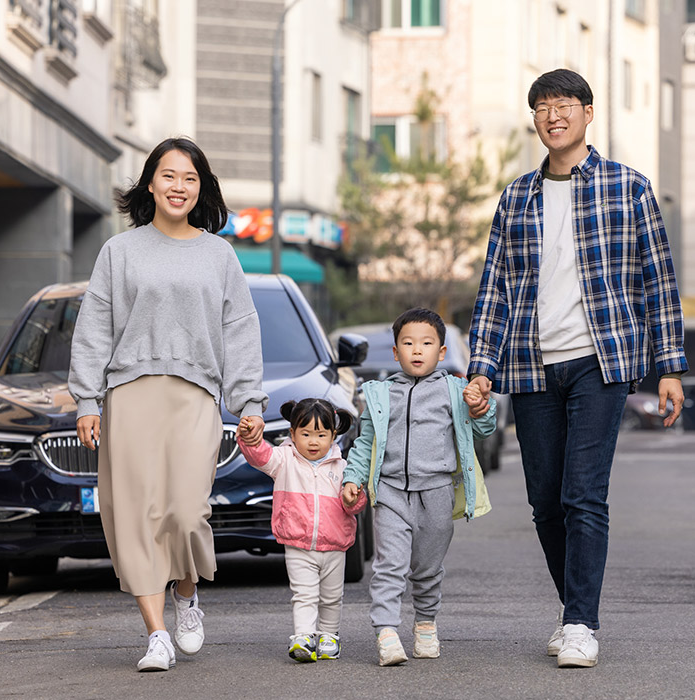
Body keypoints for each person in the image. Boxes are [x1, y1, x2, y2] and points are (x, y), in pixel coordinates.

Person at [465, 69, 689, 669]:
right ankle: (575, 611)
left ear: (588, 113)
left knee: (583, 493)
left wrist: (669, 366)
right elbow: (496, 286)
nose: (552, 116)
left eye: (564, 105)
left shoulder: (629, 188)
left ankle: (582, 624)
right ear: (534, 119)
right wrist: (481, 367)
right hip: (533, 364)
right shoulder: (517, 196)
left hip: (602, 360)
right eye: (542, 107)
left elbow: (657, 280)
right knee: (544, 501)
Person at [68, 137, 268, 672]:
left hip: (195, 396)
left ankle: (186, 591)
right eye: (169, 176)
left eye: (190, 178)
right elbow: (95, 327)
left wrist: (248, 399)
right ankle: (155, 634)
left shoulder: (218, 254)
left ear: (200, 188)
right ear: (150, 184)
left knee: (184, 511)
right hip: (129, 394)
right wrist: (87, 398)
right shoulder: (120, 250)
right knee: (134, 516)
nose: (179, 187)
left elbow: (239, 331)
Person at [342, 308, 496, 666]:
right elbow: (365, 442)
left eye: (426, 343)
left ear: (441, 352)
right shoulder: (379, 394)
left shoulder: (455, 390)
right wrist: (353, 477)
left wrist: (479, 410)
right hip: (391, 492)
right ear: (395, 352)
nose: (417, 350)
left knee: (427, 568)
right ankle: (386, 632)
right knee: (388, 565)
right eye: (408, 343)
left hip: (437, 493)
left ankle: (425, 623)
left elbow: (484, 429)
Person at [236, 399, 366, 662]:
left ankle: (329, 635)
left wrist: (354, 498)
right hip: (297, 543)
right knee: (304, 594)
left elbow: (355, 504)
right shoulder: (284, 460)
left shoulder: (343, 468)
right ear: (292, 434)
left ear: (333, 435)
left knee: (331, 596)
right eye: (305, 434)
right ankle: (304, 636)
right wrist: (249, 438)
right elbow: (260, 455)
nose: (313, 442)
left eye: (321, 435)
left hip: (334, 544)